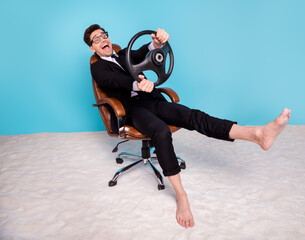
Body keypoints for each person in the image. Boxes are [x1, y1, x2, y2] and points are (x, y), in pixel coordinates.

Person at [84, 24, 291, 228]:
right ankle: (182, 196)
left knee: (194, 116)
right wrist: (137, 84)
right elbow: (114, 80)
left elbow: (140, 52)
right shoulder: (97, 67)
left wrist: (155, 44)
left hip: (152, 99)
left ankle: (257, 134)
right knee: (161, 131)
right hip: (133, 110)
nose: (103, 39)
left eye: (104, 35)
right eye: (97, 39)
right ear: (92, 48)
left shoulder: (122, 55)